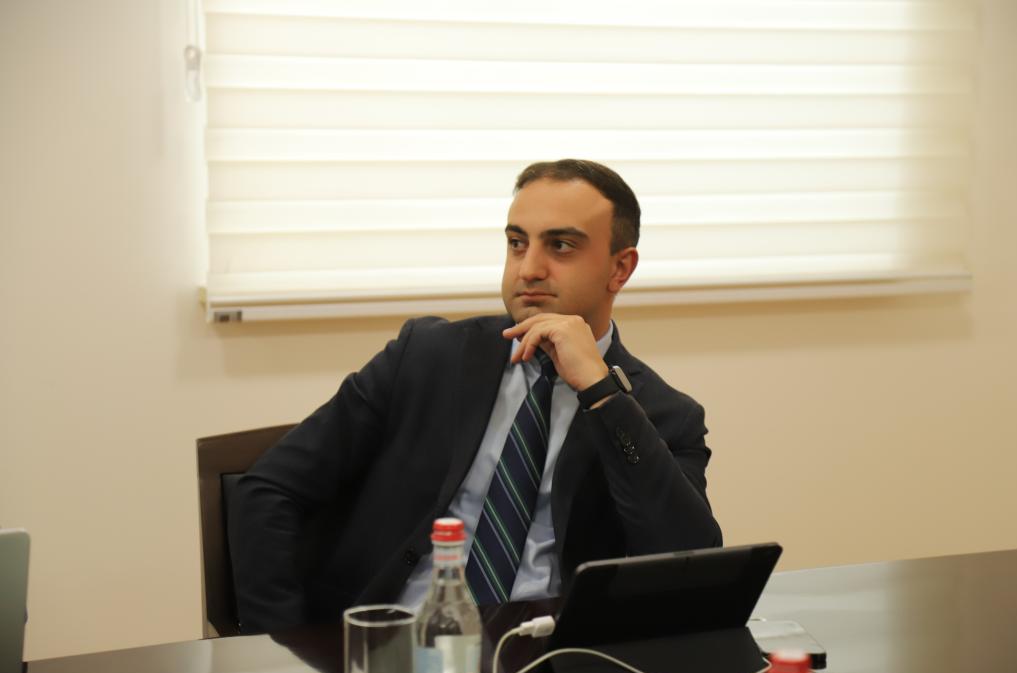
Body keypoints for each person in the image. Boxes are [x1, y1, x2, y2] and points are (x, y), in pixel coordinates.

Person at [228, 159, 722, 634]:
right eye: (517, 243)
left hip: (547, 652)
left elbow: (689, 567)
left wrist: (602, 393)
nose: (529, 269)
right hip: (395, 645)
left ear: (620, 269)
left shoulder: (661, 415)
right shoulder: (426, 357)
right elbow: (269, 489)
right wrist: (284, 649)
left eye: (561, 246)